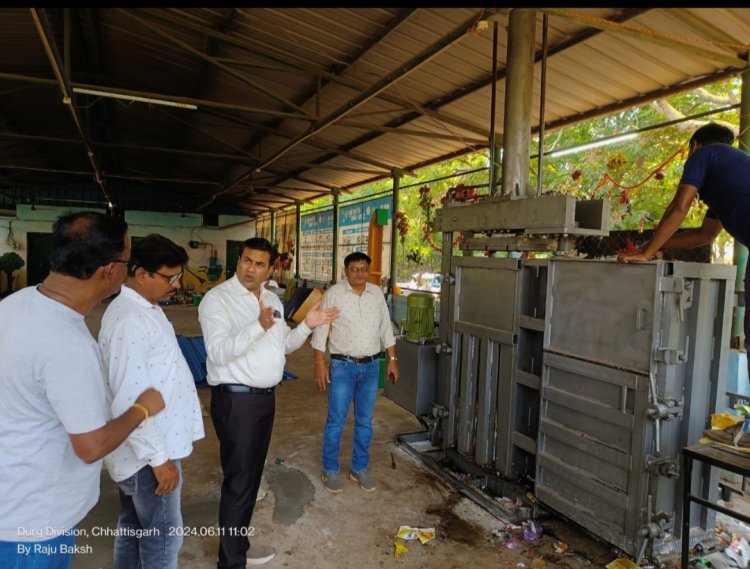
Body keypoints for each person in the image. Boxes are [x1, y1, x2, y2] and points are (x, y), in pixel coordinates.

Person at [0, 211, 165, 569]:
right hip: (33, 522)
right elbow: (91, 447)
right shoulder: (66, 344)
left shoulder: (16, 305)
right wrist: (143, 408)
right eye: (127, 260)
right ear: (109, 271)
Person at [198, 237, 339, 568]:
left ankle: (239, 548)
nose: (251, 269)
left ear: (270, 268)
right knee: (240, 482)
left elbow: (284, 346)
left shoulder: (272, 298)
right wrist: (256, 326)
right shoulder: (217, 300)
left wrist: (307, 325)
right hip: (236, 402)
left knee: (251, 477)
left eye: (260, 264)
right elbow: (217, 352)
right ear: (239, 260)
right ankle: (230, 562)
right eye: (247, 260)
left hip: (264, 401)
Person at [99, 234, 205, 569]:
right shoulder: (130, 320)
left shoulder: (147, 308)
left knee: (133, 527)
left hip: (145, 450)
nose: (176, 285)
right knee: (163, 538)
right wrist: (159, 460)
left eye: (178, 277)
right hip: (147, 455)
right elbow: (129, 399)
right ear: (140, 273)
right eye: (169, 277)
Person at [618, 122, 750, 371]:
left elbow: (679, 207)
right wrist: (657, 246)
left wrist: (646, 253)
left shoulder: (703, 154)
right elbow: (705, 235)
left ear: (694, 145)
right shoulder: (729, 172)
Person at [311, 251, 400, 494]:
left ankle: (359, 468)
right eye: (354, 269)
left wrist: (392, 359)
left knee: (365, 421)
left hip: (371, 367)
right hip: (343, 366)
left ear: (369, 271)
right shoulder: (335, 294)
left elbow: (385, 328)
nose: (359, 273)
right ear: (345, 271)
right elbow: (321, 328)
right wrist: (319, 362)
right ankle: (330, 469)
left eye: (363, 268)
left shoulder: (376, 294)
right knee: (336, 420)